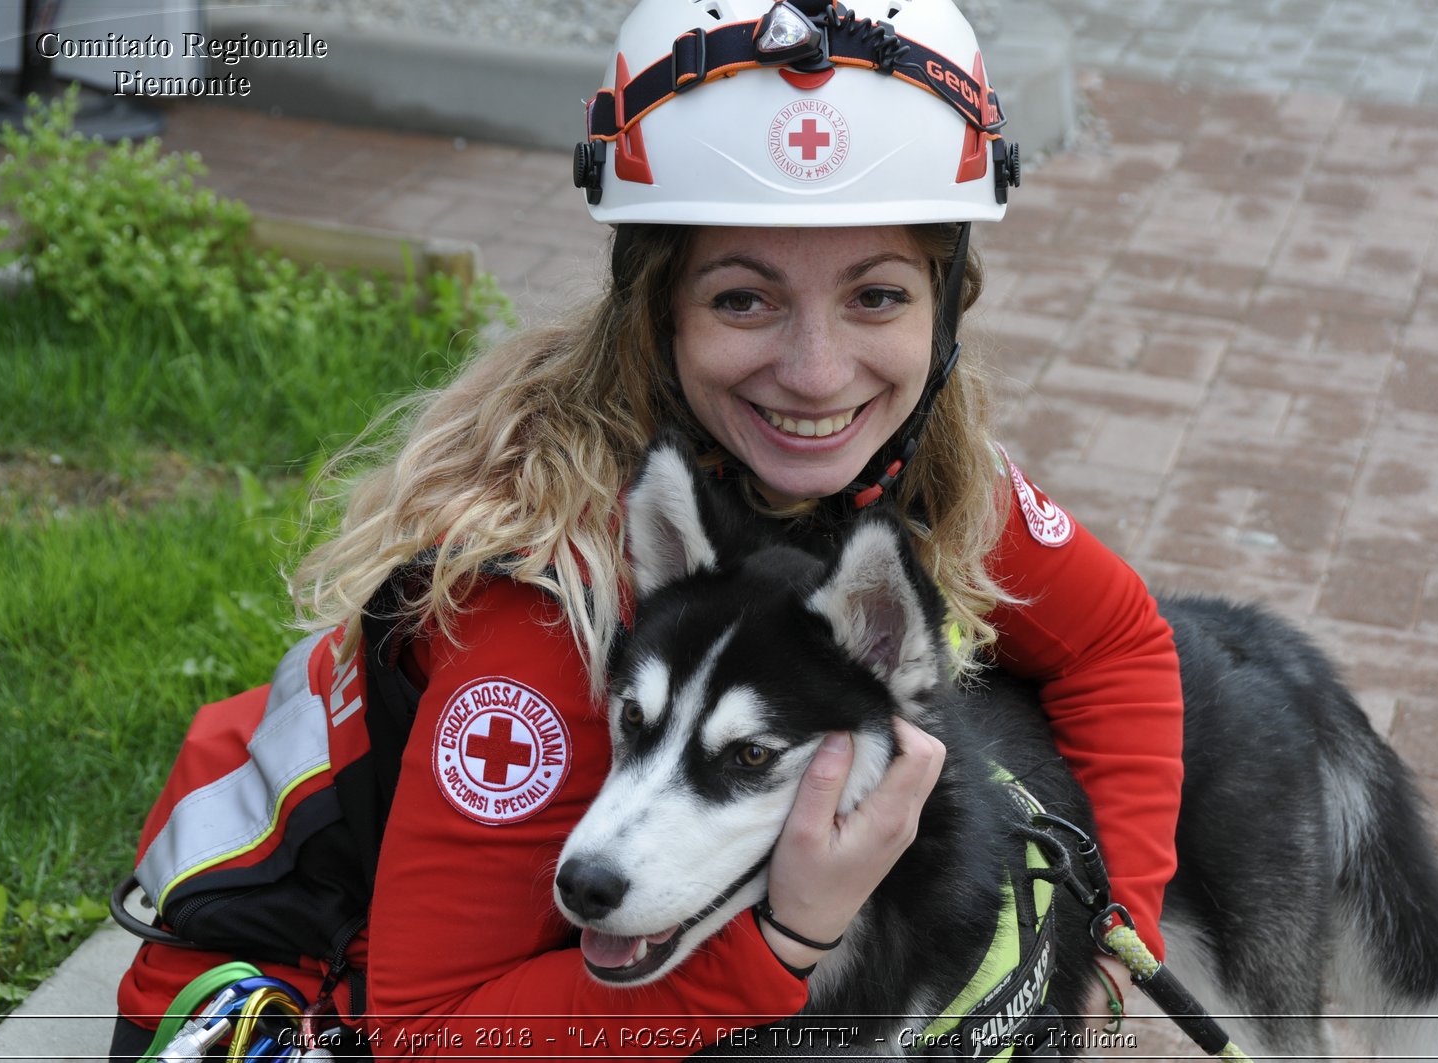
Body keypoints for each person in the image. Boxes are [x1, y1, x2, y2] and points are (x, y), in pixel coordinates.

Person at [112, 0, 1183, 1056]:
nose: (816, 374)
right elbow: (427, 1036)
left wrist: (1106, 933)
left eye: (877, 296)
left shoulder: (895, 467)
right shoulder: (543, 606)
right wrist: (785, 939)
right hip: (297, 1005)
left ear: (942, 312)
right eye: (741, 301)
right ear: (655, 311)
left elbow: (1116, 644)